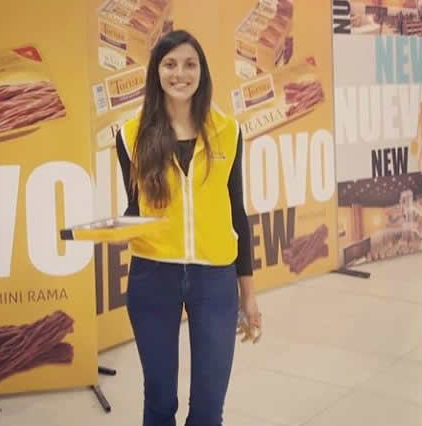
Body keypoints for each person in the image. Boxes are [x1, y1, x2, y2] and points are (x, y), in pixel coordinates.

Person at [115, 29, 261, 426]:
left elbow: (237, 212)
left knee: (209, 408)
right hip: (152, 275)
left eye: (189, 64)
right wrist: (111, 230)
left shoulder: (228, 131)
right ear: (156, 71)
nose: (180, 74)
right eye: (170, 64)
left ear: (202, 71)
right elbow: (134, 208)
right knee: (159, 402)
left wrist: (248, 295)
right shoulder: (130, 134)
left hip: (214, 279)